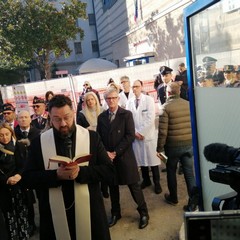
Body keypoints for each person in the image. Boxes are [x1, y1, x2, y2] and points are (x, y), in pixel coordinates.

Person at [22, 94, 114, 240]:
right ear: (50, 118)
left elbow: (109, 171)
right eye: (57, 119)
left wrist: (81, 171)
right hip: (53, 213)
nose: (63, 123)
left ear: (73, 114)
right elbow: (27, 178)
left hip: (90, 211)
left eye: (67, 117)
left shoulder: (91, 138)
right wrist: (55, 175)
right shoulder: (39, 143)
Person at [97, 87, 149, 229]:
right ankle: (115, 213)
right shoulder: (101, 117)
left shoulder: (126, 114)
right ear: (105, 100)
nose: (111, 101)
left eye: (114, 98)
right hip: (109, 159)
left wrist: (115, 152)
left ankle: (144, 212)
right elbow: (98, 138)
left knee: (134, 186)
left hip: (125, 157)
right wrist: (106, 153)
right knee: (113, 187)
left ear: (118, 99)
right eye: (109, 98)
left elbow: (130, 135)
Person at [156, 82, 198, 211]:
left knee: (171, 171)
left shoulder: (165, 108)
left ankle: (173, 198)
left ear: (167, 93)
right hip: (189, 145)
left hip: (172, 147)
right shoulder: (188, 104)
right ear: (179, 92)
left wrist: (159, 148)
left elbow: (163, 132)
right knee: (189, 174)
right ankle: (193, 202)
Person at [126, 80, 162, 194]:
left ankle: (157, 183)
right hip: (136, 137)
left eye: (137, 86)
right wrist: (135, 133)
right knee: (141, 161)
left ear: (141, 87)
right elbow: (129, 120)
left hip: (148, 136)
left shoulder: (149, 100)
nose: (134, 89)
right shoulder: (129, 102)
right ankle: (146, 180)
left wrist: (142, 133)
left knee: (153, 162)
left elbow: (150, 118)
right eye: (133, 87)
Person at [0, 123, 30, 239]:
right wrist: (6, 180)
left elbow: (25, 165)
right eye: (1, 135)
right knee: (9, 217)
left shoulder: (19, 146)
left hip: (20, 187)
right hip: (5, 188)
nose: (4, 137)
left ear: (11, 134)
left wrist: (19, 175)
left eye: (7, 134)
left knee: (22, 214)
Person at [76, 92, 109, 198]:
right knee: (94, 167)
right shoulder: (82, 114)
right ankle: (96, 189)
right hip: (90, 143)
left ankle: (105, 189)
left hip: (104, 142)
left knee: (104, 165)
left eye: (92, 99)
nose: (90, 102)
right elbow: (80, 130)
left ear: (96, 100)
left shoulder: (103, 111)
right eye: (88, 100)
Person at [14, 110, 41, 236]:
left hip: (37, 169)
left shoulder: (37, 133)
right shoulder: (14, 134)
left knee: (41, 197)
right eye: (21, 118)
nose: (23, 119)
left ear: (30, 119)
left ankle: (45, 221)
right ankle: (31, 224)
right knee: (28, 200)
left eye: (25, 117)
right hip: (22, 171)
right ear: (17, 120)